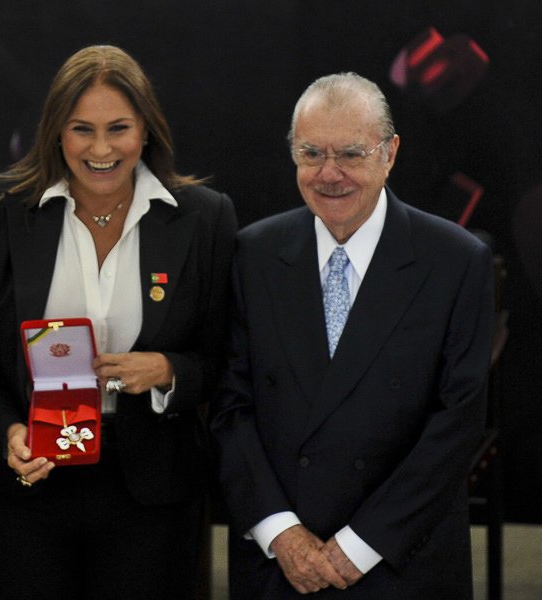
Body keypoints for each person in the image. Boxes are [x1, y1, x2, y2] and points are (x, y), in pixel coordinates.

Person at [0, 44, 236, 599]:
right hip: (26, 485)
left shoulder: (205, 218)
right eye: (82, 129)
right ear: (56, 131)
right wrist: (8, 431)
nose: (100, 149)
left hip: (151, 494)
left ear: (146, 131)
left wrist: (170, 370)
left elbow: (225, 358)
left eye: (118, 129)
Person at [211, 71, 495, 598]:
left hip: (401, 559)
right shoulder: (252, 254)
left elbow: (459, 422)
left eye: (351, 154)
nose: (329, 173)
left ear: (390, 153)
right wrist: (283, 534)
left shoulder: (455, 261)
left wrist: (359, 546)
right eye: (311, 153)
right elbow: (230, 404)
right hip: (279, 564)